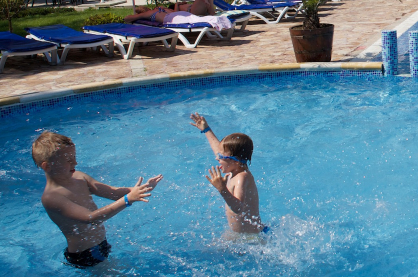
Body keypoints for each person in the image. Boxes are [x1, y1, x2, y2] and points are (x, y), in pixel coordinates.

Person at [34, 130, 163, 268]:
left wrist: (141, 189)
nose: (75, 162)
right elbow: (91, 218)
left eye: (74, 157)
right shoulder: (51, 197)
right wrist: (127, 200)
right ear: (47, 166)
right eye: (68, 160)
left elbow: (112, 192)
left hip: (101, 244)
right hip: (84, 254)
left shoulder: (79, 177)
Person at [189, 113, 264, 234]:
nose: (217, 158)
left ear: (235, 160)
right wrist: (206, 129)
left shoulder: (242, 177)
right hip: (238, 235)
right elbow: (218, 149)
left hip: (251, 238)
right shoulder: (233, 168)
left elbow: (238, 208)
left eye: (221, 156)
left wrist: (222, 189)